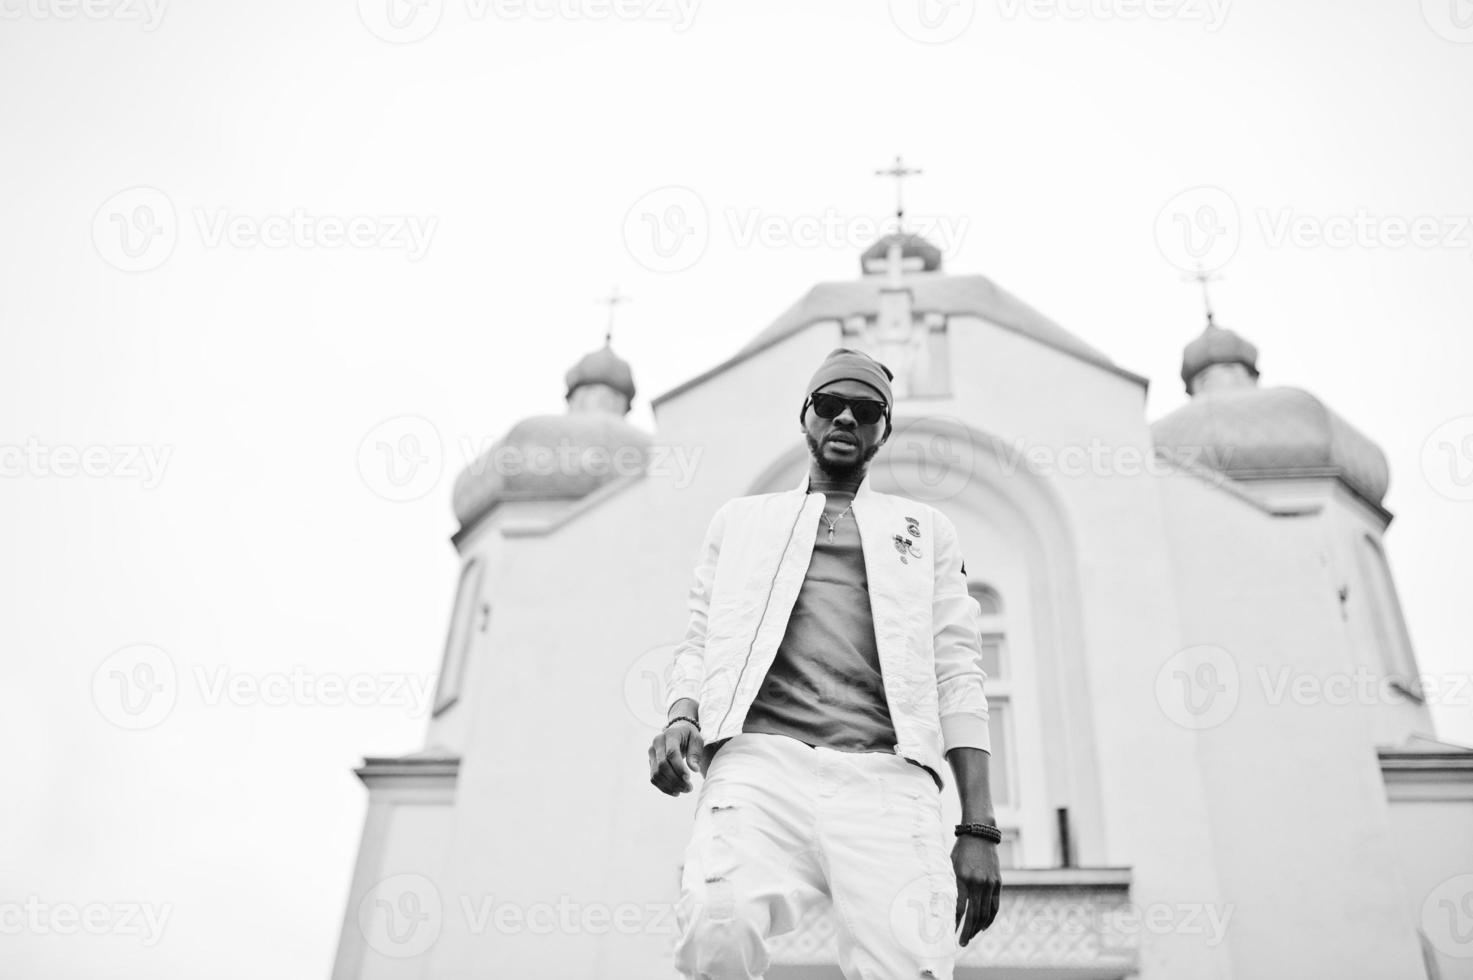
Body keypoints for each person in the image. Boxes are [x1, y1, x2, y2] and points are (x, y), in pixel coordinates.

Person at [648, 347, 1002, 979]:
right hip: (760, 764)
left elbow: (957, 673)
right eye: (829, 405)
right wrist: (681, 714)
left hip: (887, 779)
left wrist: (978, 827)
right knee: (714, 923)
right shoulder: (741, 521)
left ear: (883, 431)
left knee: (913, 967)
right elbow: (701, 636)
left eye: (865, 410)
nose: (845, 419)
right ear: (805, 416)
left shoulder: (924, 530)